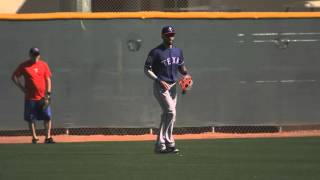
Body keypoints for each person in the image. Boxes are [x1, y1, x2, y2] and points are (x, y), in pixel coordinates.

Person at [144, 26, 191, 153]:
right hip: (161, 86)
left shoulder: (178, 51)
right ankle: (163, 142)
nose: (170, 37)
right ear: (162, 36)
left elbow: (182, 68)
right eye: (168, 34)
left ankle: (165, 144)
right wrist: (159, 80)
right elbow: (146, 69)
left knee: (169, 115)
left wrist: (186, 76)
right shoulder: (155, 52)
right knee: (170, 112)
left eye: (172, 34)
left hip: (173, 86)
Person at [12, 47, 55, 144]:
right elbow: (14, 77)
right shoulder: (24, 66)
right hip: (31, 98)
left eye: (37, 55)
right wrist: (22, 88)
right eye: (33, 54)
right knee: (31, 118)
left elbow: (48, 79)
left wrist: (48, 94)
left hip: (43, 97)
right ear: (30, 55)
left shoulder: (44, 65)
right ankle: (34, 138)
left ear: (39, 55)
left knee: (47, 116)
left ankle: (48, 137)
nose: (35, 56)